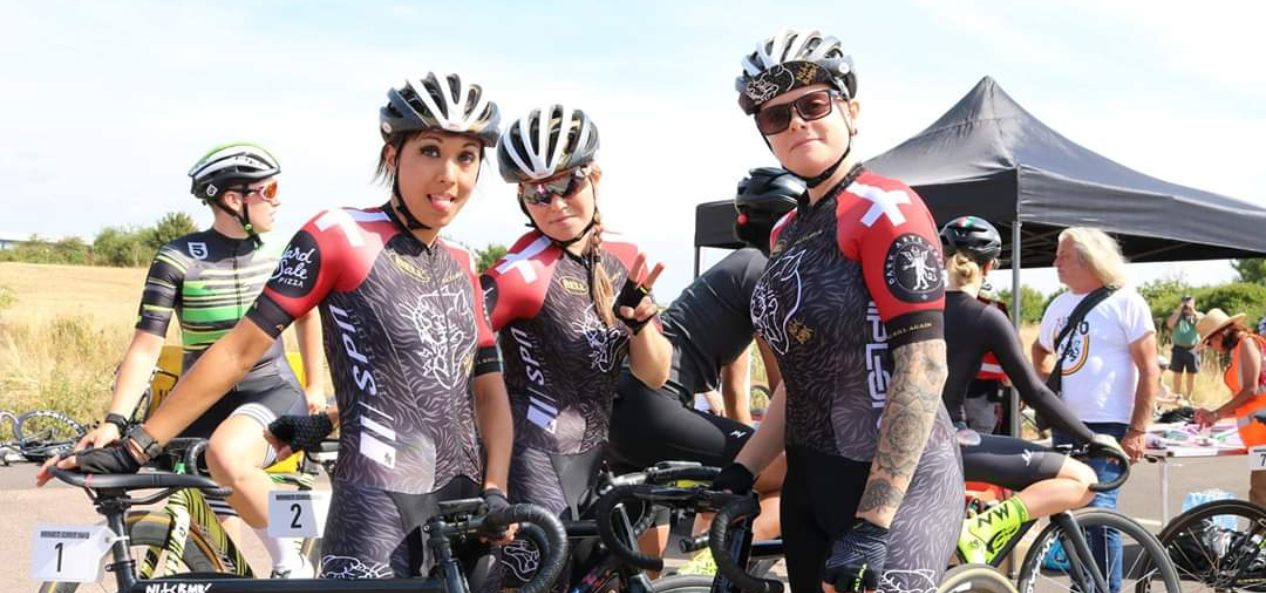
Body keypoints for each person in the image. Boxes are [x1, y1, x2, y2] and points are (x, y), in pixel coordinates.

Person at [41, 72, 515, 582]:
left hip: (466, 508)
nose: (448, 175)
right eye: (430, 151)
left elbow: (486, 390)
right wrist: (136, 444)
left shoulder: (463, 262)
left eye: (467, 157)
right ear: (392, 156)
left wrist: (496, 489)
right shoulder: (338, 236)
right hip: (376, 512)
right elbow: (238, 351)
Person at [712, 29, 962, 593]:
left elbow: (924, 366)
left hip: (895, 494)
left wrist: (873, 523)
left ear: (851, 110)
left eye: (813, 104)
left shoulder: (887, 208)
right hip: (810, 481)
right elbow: (801, 381)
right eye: (776, 116)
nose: (797, 123)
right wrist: (743, 470)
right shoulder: (786, 231)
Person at [69, 142, 324, 577]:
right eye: (269, 190)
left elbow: (307, 315)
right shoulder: (177, 257)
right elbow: (146, 345)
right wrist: (115, 419)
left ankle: (291, 563)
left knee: (228, 457)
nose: (277, 200)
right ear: (233, 199)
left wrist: (315, 386)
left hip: (270, 391)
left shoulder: (283, 251)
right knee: (216, 550)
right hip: (200, 402)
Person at [482, 105, 671, 587]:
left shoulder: (625, 256)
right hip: (532, 463)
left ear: (594, 177)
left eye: (567, 184)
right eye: (537, 193)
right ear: (523, 199)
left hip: (594, 465)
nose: (556, 204)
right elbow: (450, 349)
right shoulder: (520, 271)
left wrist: (641, 325)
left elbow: (655, 375)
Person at [606, 167, 796, 573]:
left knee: (645, 568)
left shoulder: (737, 269)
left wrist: (741, 452)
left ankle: (689, 571)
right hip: (657, 406)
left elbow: (735, 392)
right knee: (797, 473)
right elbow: (786, 385)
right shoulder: (764, 270)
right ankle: (709, 570)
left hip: (627, 412)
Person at [937, 216, 1122, 565]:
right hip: (951, 442)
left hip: (902, 441)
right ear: (989, 267)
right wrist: (1091, 437)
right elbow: (1035, 392)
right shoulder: (986, 317)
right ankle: (983, 529)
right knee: (1083, 479)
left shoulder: (914, 311)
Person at [1032, 227, 1158, 593]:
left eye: (1063, 255)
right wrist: (1047, 386)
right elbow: (1040, 350)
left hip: (1109, 426)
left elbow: (1150, 368)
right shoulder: (1059, 305)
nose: (1055, 262)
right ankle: (1082, 588)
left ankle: (1106, 590)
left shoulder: (1126, 302)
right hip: (1065, 425)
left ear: (1089, 260)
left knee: (1099, 514)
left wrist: (1138, 430)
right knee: (1068, 515)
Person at [1193, 309, 1266, 506]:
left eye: (1209, 343)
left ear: (1219, 335)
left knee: (1260, 498)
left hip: (1263, 436)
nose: (1211, 348)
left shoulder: (1247, 344)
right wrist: (1214, 414)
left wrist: (1217, 413)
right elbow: (1247, 401)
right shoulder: (1240, 349)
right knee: (1259, 494)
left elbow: (1250, 390)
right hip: (1259, 438)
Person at [1166, 296, 1203, 399]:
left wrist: (1193, 311)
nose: (1187, 306)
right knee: (1177, 374)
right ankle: (1177, 396)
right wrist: (1179, 310)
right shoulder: (1177, 315)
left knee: (1191, 374)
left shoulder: (1197, 314)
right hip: (1178, 348)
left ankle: (1189, 397)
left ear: (1194, 304)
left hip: (1193, 348)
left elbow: (1203, 324)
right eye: (1185, 303)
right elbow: (1170, 324)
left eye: (1189, 303)